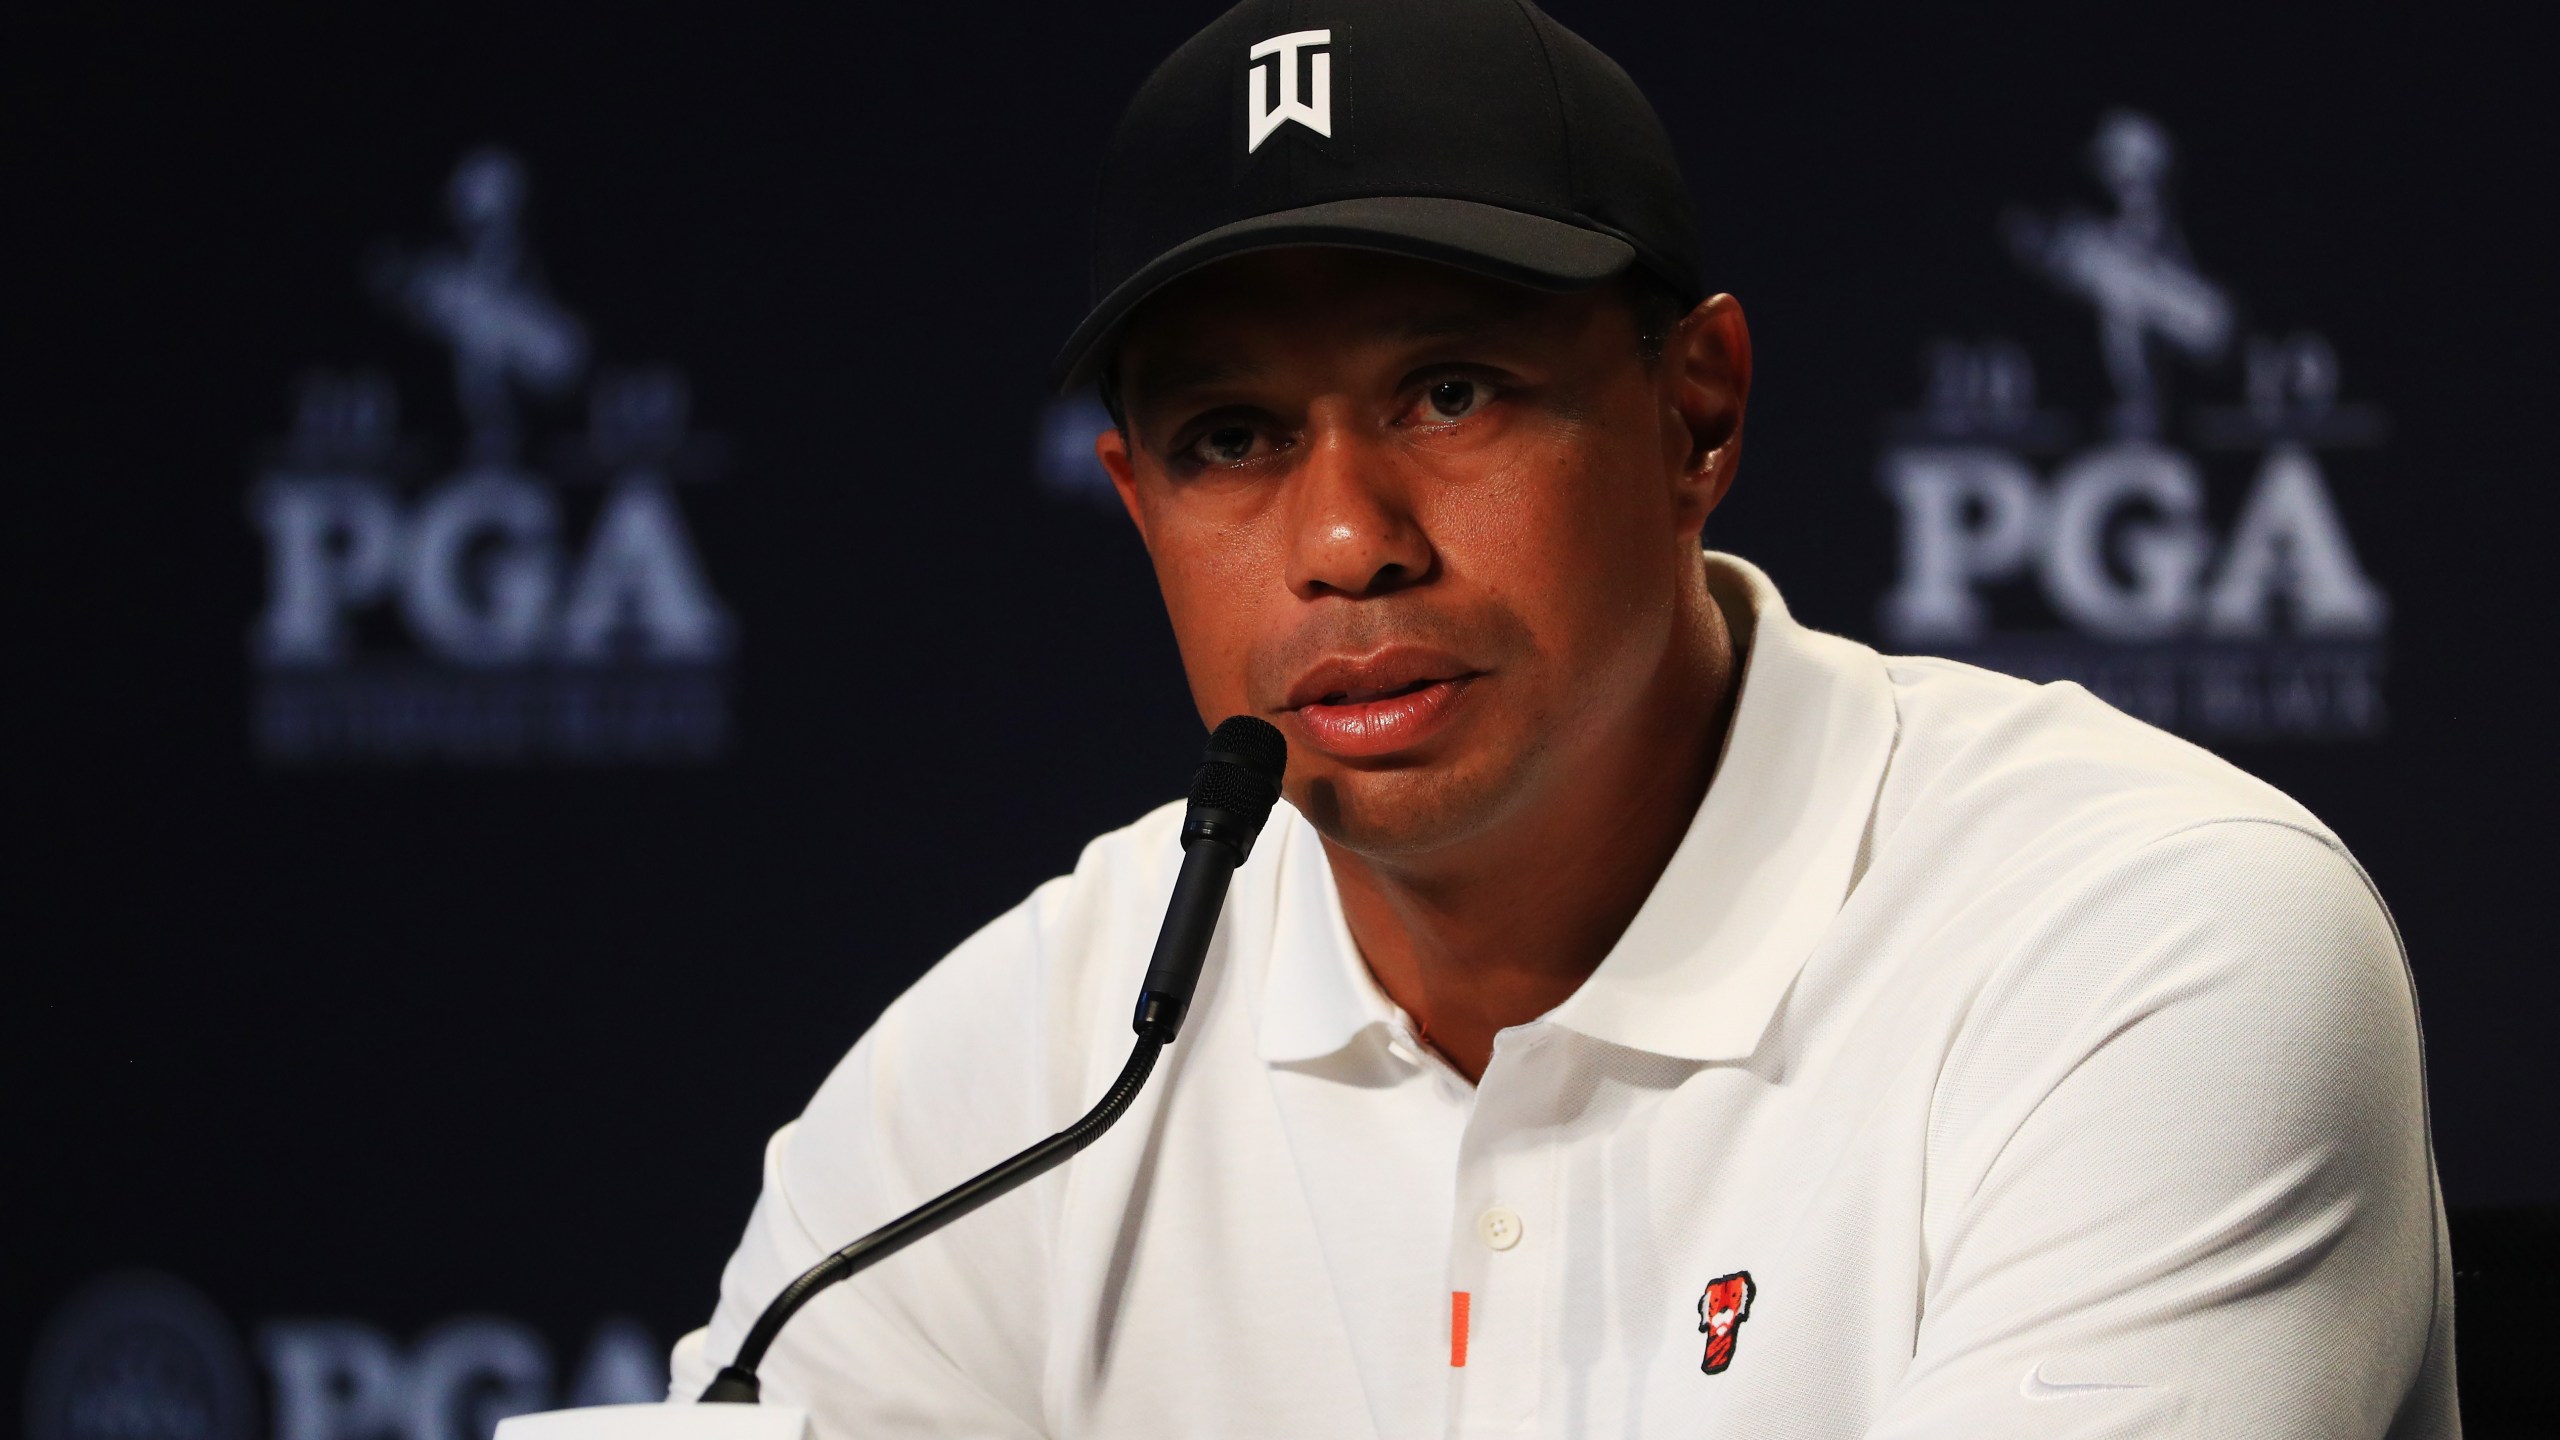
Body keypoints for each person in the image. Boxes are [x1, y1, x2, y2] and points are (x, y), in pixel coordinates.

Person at [674, 1, 2456, 1434]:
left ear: (1699, 412)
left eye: (1450, 391)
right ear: (1138, 508)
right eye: (1232, 438)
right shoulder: (1016, 1079)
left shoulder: (2144, 939)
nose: (1348, 540)